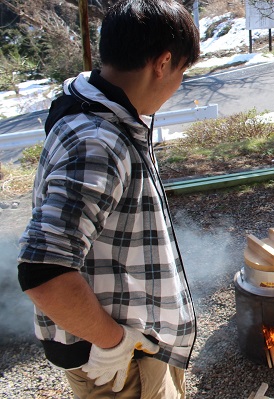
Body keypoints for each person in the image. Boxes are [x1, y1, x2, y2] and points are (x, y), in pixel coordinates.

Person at [17, 0, 201, 397]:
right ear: (163, 63)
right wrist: (113, 341)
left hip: (137, 344)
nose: (178, 84)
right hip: (119, 360)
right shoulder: (97, 142)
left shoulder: (109, 110)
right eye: (183, 71)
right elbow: (42, 271)